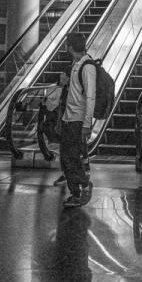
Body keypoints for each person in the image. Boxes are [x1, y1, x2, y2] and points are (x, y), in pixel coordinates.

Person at [60, 32, 96, 208]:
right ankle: (76, 189)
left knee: (71, 157)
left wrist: (87, 124)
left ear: (70, 47)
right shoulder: (75, 64)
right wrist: (65, 83)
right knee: (66, 157)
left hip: (78, 119)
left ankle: (80, 187)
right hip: (68, 117)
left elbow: (90, 97)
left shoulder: (87, 66)